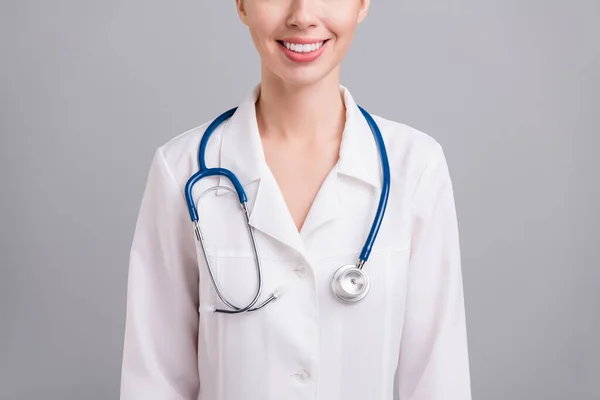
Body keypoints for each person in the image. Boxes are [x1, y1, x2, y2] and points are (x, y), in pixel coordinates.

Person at [119, 0, 472, 399]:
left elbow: (439, 378)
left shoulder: (415, 167)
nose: (302, 15)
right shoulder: (181, 169)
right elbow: (154, 379)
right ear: (240, 4)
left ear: (362, 4)